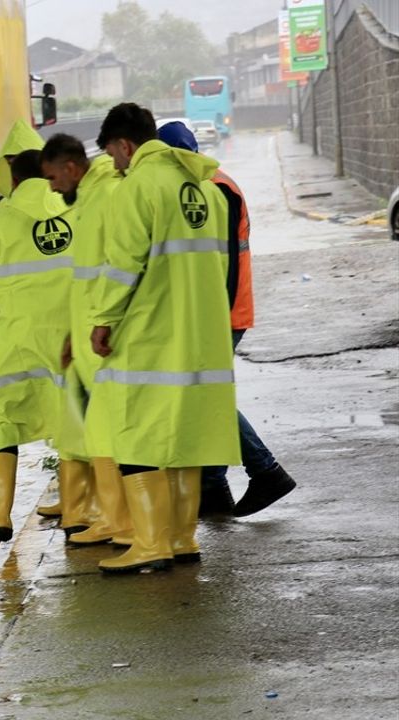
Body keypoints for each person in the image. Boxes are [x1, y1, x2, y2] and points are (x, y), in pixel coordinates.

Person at [87, 103, 240, 573]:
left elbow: (122, 266)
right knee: (185, 438)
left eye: (113, 154)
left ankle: (150, 544)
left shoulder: (137, 188)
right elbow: (221, 267)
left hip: (151, 334)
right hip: (200, 335)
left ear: (124, 144)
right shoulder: (205, 189)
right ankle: (181, 538)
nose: (114, 164)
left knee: (137, 436)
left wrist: (102, 319)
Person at [156, 121, 297, 518]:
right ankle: (214, 487)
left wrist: (212, 316)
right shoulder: (213, 183)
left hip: (222, 311)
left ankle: (265, 470)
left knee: (205, 397)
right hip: (221, 309)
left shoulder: (214, 189)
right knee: (204, 396)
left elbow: (225, 263)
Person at [0, 141, 75, 555]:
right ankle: (78, 509)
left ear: (15, 182)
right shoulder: (78, 213)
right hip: (73, 337)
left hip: (18, 344)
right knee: (72, 421)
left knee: (0, 419)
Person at [40, 133, 130, 545]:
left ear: (72, 169)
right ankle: (114, 518)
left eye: (54, 177)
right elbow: (86, 279)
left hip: (107, 337)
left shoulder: (106, 196)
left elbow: (120, 266)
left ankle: (121, 522)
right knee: (99, 430)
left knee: (109, 430)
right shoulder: (91, 200)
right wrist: (73, 338)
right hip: (91, 337)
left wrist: (102, 325)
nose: (53, 187)